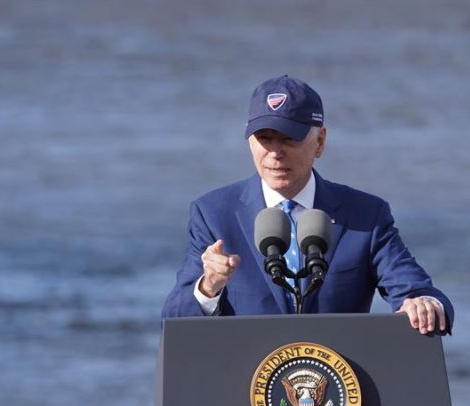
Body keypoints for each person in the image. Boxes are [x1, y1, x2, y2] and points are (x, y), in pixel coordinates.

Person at [161, 75, 453, 335]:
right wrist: (208, 286)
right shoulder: (213, 214)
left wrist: (423, 305)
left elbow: (422, 294)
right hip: (245, 388)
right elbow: (174, 319)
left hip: (341, 387)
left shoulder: (366, 215)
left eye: (289, 139)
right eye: (264, 138)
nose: (275, 153)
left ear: (320, 141)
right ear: (249, 140)